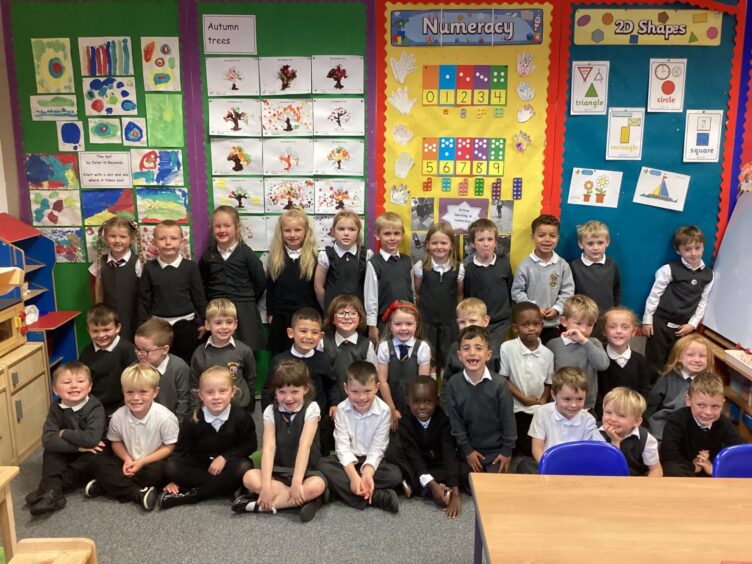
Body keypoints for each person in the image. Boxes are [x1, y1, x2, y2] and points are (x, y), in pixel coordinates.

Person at [232, 360, 326, 522]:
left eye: (295, 391)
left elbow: (305, 445)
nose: (288, 398)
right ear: (275, 392)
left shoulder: (312, 408)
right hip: (280, 472)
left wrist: (297, 482)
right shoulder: (271, 411)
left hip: (306, 472)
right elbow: (268, 448)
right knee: (249, 477)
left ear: (305, 389)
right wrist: (267, 485)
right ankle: (298, 501)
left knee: (318, 485)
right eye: (282, 392)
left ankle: (260, 506)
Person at [159, 366, 255, 509]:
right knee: (171, 467)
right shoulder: (192, 420)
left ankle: (193, 495)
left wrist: (224, 457)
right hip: (201, 465)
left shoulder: (242, 417)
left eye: (222, 391)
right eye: (209, 392)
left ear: (233, 392)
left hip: (228, 463)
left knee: (245, 466)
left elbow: (249, 445)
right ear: (201, 395)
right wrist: (173, 479)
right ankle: (226, 487)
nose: (216, 397)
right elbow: (180, 451)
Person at [86, 365, 179, 511]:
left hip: (151, 461)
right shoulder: (118, 416)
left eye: (143, 392)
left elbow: (169, 447)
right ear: (123, 391)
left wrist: (142, 462)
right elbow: (116, 442)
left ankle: (108, 485)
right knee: (96, 461)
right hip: (126, 461)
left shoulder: (166, 417)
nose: (136, 398)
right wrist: (127, 459)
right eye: (129, 392)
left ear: (155, 392)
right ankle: (137, 493)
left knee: (161, 471)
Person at [318, 361, 402, 513]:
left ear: (377, 387)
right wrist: (354, 477)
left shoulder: (384, 411)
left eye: (367, 391)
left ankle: (337, 492)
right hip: (347, 463)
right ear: (346, 388)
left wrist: (367, 474)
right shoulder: (342, 410)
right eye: (355, 391)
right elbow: (342, 447)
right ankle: (376, 497)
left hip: (372, 462)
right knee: (322, 465)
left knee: (395, 475)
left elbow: (378, 448)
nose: (361, 397)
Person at [24, 362, 106, 516]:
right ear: (55, 389)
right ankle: (52, 493)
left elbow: (91, 439)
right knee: (51, 452)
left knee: (92, 457)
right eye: (67, 382)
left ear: (89, 387)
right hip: (75, 448)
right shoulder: (56, 407)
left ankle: (49, 490)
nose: (74, 386)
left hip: (93, 450)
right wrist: (78, 447)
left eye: (80, 382)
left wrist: (64, 433)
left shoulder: (95, 407)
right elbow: (48, 440)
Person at [445, 326, 516, 490]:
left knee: (496, 487)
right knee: (466, 481)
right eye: (466, 348)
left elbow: (508, 421)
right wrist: (468, 451)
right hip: (470, 449)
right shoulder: (453, 384)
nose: (472, 353)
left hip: (496, 450)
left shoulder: (499, 384)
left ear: (488, 355)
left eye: (478, 348)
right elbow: (456, 422)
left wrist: (506, 451)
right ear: (459, 356)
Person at [386, 376, 461, 518]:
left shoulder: (443, 420)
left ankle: (416, 486)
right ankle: (429, 487)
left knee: (462, 470)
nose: (422, 407)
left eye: (428, 402)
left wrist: (456, 495)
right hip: (415, 463)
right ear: (408, 402)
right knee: (392, 452)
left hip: (437, 464)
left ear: (437, 401)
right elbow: (414, 457)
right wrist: (433, 485)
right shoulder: (406, 421)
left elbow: (449, 453)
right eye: (416, 402)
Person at [264, 308, 335, 454]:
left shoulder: (324, 360)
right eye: (303, 331)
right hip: (286, 420)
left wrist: (334, 403)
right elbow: (267, 390)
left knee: (318, 455)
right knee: (287, 453)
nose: (309, 336)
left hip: (318, 421)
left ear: (321, 336)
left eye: (314, 332)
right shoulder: (279, 361)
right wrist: (271, 412)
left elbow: (332, 385)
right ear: (291, 333)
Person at [643, 225, 714, 370]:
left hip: (684, 328)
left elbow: (703, 301)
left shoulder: (708, 275)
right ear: (678, 250)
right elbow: (654, 295)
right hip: (660, 324)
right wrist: (647, 320)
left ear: (703, 247)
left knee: (676, 364)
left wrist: (692, 324)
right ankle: (649, 391)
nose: (693, 253)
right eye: (687, 249)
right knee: (654, 364)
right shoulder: (669, 269)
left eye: (697, 248)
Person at [137, 220, 207, 364]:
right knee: (160, 363)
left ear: (182, 241)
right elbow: (143, 300)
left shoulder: (190, 267)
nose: (168, 243)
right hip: (158, 327)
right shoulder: (149, 268)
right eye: (162, 239)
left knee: (186, 362)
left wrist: (205, 321)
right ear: (154, 242)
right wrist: (143, 328)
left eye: (173, 238)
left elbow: (199, 297)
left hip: (187, 325)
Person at [199, 205, 266, 350]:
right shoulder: (208, 257)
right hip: (216, 310)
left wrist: (245, 299)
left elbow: (260, 281)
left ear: (237, 227)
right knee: (219, 350)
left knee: (245, 350)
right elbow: (202, 285)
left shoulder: (246, 254)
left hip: (244, 310)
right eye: (217, 226)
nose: (222, 230)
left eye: (227, 226)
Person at [499, 302, 553, 458]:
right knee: (517, 449)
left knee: (533, 450)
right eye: (525, 324)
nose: (531, 328)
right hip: (515, 409)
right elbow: (504, 378)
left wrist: (543, 400)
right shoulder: (507, 348)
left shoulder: (548, 354)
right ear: (515, 328)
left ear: (542, 325)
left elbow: (548, 383)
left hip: (538, 411)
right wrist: (523, 398)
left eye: (536, 324)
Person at [525, 367, 605, 473]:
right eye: (567, 399)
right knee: (524, 465)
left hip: (577, 467)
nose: (573, 405)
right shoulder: (542, 412)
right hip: (549, 463)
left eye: (580, 399)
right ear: (554, 395)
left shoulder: (588, 419)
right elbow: (537, 447)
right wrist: (546, 467)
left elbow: (598, 450)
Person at [660, 373, 742, 477]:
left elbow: (736, 454)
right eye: (701, 405)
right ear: (688, 400)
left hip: (712, 471)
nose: (708, 412)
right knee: (670, 468)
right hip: (686, 470)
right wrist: (693, 466)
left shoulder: (725, 424)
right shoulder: (676, 421)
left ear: (723, 403)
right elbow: (669, 456)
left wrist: (713, 467)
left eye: (715, 406)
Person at [511, 214, 574, 344]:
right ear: (532, 237)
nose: (547, 239)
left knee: (549, 357)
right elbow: (517, 292)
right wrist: (533, 308)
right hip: (529, 325)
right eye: (541, 235)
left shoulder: (562, 265)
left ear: (558, 238)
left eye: (552, 235)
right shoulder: (525, 265)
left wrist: (557, 308)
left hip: (553, 325)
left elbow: (568, 291)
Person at [266, 208, 320, 356]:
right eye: (287, 230)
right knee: (281, 357)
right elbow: (270, 287)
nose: (293, 234)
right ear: (281, 232)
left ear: (306, 231)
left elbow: (318, 290)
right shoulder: (276, 258)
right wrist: (270, 312)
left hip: (306, 317)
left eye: (297, 230)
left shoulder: (314, 259)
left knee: (305, 355)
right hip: (281, 318)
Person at [190, 298, 256, 414]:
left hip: (239, 407)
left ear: (236, 324)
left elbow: (250, 378)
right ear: (207, 325)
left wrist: (250, 407)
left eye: (229, 322)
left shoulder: (244, 350)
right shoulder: (199, 353)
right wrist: (196, 410)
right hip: (209, 409)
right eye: (218, 322)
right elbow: (194, 385)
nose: (224, 327)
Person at [546, 295, 609, 413]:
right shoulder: (553, 345)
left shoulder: (593, 343)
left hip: (586, 406)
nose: (584, 330)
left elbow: (602, 365)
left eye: (589, 325)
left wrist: (585, 342)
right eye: (578, 324)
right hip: (558, 406)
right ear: (564, 321)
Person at [414, 222, 464, 373]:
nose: (439, 246)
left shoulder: (459, 268)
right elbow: (417, 293)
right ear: (427, 245)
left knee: (448, 361)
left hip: (450, 324)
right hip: (426, 323)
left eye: (443, 242)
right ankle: (430, 394)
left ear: (451, 245)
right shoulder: (420, 267)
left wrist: (460, 320)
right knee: (429, 362)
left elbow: (459, 295)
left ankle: (445, 394)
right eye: (434, 243)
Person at [645, 333, 714, 440]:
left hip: (694, 427)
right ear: (679, 358)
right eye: (690, 355)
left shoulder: (710, 383)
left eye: (702, 356)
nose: (696, 360)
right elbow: (652, 404)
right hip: (665, 425)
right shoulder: (667, 378)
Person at [377, 300, 431, 431]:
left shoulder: (422, 348)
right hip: (389, 398)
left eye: (409, 324)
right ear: (390, 325)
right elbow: (382, 381)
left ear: (416, 325)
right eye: (398, 324)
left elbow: (422, 383)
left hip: (413, 401)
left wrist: (416, 408)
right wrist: (391, 409)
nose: (403, 328)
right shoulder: (384, 347)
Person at [319, 294, 377, 413]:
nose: (347, 317)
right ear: (332, 318)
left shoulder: (366, 345)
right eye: (341, 313)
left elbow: (373, 377)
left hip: (359, 405)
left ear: (360, 319)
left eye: (353, 313)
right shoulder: (323, 343)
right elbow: (321, 378)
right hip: (329, 405)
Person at [89, 215, 143, 341]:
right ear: (105, 238)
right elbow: (98, 289)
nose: (117, 240)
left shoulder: (138, 263)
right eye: (113, 236)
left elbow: (144, 292)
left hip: (132, 315)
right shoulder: (99, 263)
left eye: (123, 236)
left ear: (132, 239)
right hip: (109, 318)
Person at [364, 211, 414, 345]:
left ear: (402, 235)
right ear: (377, 235)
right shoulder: (374, 263)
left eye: (396, 233)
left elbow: (412, 292)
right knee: (384, 355)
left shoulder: (407, 261)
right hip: (384, 322)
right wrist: (372, 325)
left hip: (406, 321)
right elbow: (371, 297)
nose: (392, 238)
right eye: (387, 234)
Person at [78, 303, 137, 416]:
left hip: (123, 408)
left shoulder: (127, 350)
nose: (101, 335)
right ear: (88, 330)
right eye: (95, 331)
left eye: (106, 330)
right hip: (95, 408)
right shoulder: (86, 352)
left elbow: (135, 381)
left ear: (117, 328)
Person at [463, 218, 512, 348]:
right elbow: (466, 296)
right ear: (473, 243)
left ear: (495, 242)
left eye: (490, 239)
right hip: (476, 322)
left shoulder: (504, 265)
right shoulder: (468, 269)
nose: (486, 244)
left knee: (495, 353)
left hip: (501, 322)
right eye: (480, 240)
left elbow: (510, 290)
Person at [596, 307, 654, 416]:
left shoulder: (639, 360)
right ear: (604, 331)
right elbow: (596, 393)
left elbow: (643, 392)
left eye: (625, 327)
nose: (618, 331)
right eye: (612, 327)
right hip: (603, 416)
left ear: (633, 332)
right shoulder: (598, 358)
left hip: (631, 416)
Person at [569, 220, 621, 337]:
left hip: (606, 319)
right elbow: (570, 294)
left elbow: (616, 289)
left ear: (607, 242)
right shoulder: (574, 266)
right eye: (590, 243)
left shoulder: (612, 265)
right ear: (581, 244)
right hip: (582, 321)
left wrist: (614, 311)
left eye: (600, 243)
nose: (595, 247)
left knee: (602, 350)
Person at [134, 318, 191, 423]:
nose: (139, 354)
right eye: (137, 348)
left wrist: (176, 426)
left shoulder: (179, 367)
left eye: (145, 350)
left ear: (164, 350)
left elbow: (184, 401)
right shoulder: (134, 368)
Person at [313, 210, 372, 313]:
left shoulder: (366, 255)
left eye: (352, 229)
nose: (346, 233)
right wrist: (327, 308)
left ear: (358, 232)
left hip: (358, 313)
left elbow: (370, 289)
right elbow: (318, 287)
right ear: (333, 232)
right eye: (341, 229)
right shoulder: (326, 256)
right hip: (333, 313)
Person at [442, 298, 500, 399]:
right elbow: (446, 383)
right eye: (462, 322)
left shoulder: (495, 347)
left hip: (489, 402)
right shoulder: (454, 348)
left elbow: (501, 381)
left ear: (485, 321)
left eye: (472, 321)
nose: (467, 326)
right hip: (459, 403)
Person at [599, 387, 662, 477]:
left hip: (634, 483)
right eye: (608, 412)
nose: (613, 419)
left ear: (637, 421)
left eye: (621, 415)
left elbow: (656, 469)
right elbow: (610, 469)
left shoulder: (645, 439)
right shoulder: (594, 433)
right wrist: (615, 441)